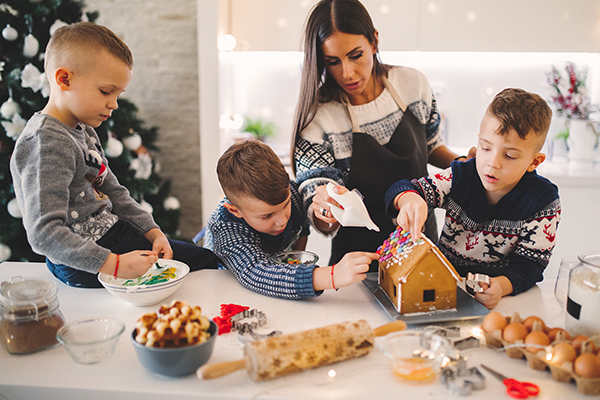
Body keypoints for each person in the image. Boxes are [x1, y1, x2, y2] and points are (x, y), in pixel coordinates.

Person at [10, 22, 218, 288]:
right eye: (106, 91)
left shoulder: (82, 130)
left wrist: (153, 232)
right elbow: (44, 234)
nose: (114, 104)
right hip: (85, 261)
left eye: (118, 94)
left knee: (197, 260)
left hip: (113, 235)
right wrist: (115, 265)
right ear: (65, 79)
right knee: (203, 263)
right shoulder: (45, 142)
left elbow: (114, 191)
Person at [291, 0, 472, 270]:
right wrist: (325, 209)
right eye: (333, 62)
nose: (347, 73)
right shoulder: (318, 119)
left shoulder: (412, 84)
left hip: (421, 243)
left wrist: (470, 166)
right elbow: (320, 210)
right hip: (358, 265)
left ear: (374, 42)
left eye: (355, 55)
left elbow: (433, 146)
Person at [386, 88, 561, 309]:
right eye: (486, 147)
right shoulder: (461, 176)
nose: (492, 163)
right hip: (443, 286)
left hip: (501, 302)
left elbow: (530, 266)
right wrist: (409, 199)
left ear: (534, 162)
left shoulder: (543, 200)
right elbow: (403, 189)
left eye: (509, 155)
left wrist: (499, 286)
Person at [203, 139, 378, 299]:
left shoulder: (293, 193)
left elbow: (301, 230)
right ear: (235, 211)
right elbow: (256, 273)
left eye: (285, 205)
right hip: (229, 295)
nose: (282, 220)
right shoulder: (224, 227)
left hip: (279, 291)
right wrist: (332, 275)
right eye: (267, 216)